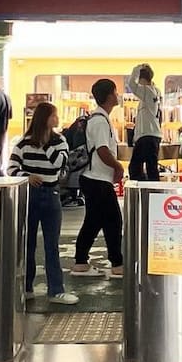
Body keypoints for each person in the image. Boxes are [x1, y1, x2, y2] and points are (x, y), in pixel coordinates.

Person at [9, 101, 77, 305]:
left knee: (51, 245)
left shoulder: (60, 141)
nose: (57, 119)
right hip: (30, 195)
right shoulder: (23, 143)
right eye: (53, 115)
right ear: (44, 118)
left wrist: (44, 143)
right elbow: (10, 168)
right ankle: (26, 288)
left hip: (52, 193)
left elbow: (59, 163)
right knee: (27, 243)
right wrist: (27, 176)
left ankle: (56, 290)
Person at [72, 78, 124, 279]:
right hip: (97, 179)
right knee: (113, 220)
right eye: (115, 92)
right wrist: (117, 166)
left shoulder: (98, 119)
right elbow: (103, 150)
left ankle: (81, 261)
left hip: (93, 178)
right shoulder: (100, 121)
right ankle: (117, 263)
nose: (117, 95)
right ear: (109, 95)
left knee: (94, 221)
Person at [125, 63, 162, 182]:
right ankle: (151, 191)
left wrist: (137, 68)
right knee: (151, 168)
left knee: (135, 168)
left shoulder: (147, 91)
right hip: (151, 136)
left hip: (146, 136)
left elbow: (131, 84)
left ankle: (144, 190)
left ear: (141, 78)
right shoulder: (155, 92)